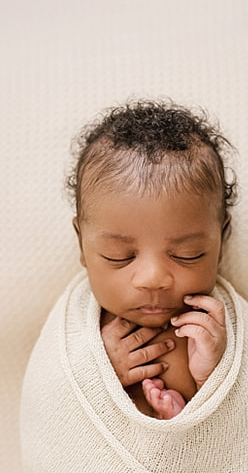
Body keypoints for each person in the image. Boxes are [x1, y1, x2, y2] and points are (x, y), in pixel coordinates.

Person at [68, 100, 237, 419]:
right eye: (118, 256)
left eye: (187, 255)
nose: (153, 278)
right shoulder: (74, 330)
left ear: (222, 239)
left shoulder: (219, 333)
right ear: (82, 243)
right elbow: (50, 409)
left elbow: (246, 423)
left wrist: (211, 378)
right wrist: (100, 374)